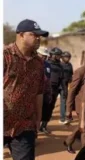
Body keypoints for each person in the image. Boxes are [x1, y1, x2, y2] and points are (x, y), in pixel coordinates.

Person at [4, 19, 49, 160]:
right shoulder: (6, 56)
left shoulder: (38, 63)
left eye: (39, 35)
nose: (38, 38)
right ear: (21, 35)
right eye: (34, 34)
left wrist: (38, 118)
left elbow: (39, 92)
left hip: (25, 124)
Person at [40, 47, 67, 134]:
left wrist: (65, 89)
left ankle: (43, 126)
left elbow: (62, 79)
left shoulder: (60, 67)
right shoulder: (46, 64)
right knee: (41, 107)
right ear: (53, 55)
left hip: (54, 90)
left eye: (60, 56)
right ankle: (35, 126)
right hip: (43, 89)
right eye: (58, 55)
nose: (59, 57)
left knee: (50, 108)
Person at [60, 51, 74, 124]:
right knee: (63, 101)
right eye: (66, 57)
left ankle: (64, 117)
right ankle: (62, 118)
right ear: (62, 57)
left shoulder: (69, 65)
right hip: (59, 84)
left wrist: (70, 81)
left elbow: (71, 74)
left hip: (65, 85)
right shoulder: (59, 64)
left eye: (68, 57)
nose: (67, 58)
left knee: (64, 101)